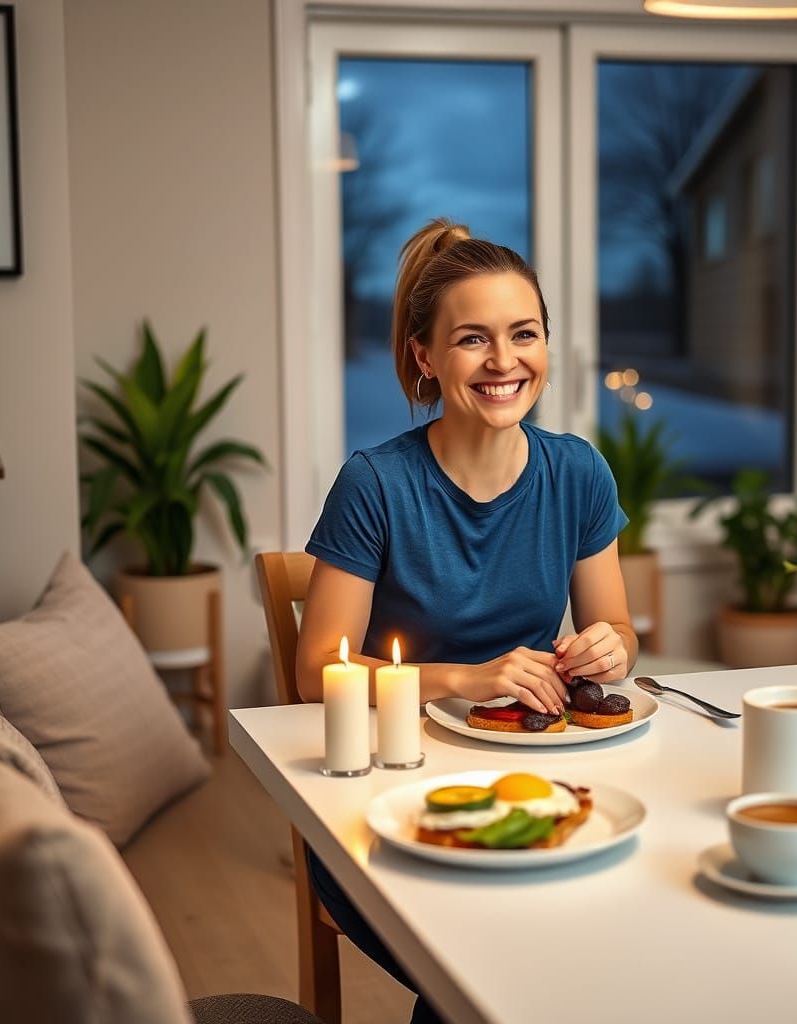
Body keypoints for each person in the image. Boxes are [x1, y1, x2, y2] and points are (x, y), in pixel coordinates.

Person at [296, 218, 638, 1022]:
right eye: (472, 340)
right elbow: (317, 670)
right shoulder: (375, 484)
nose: (503, 361)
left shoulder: (578, 473)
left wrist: (605, 649)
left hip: (530, 777)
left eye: (524, 334)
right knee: (500, 959)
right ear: (425, 357)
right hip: (384, 796)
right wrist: (463, 677)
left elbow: (620, 633)